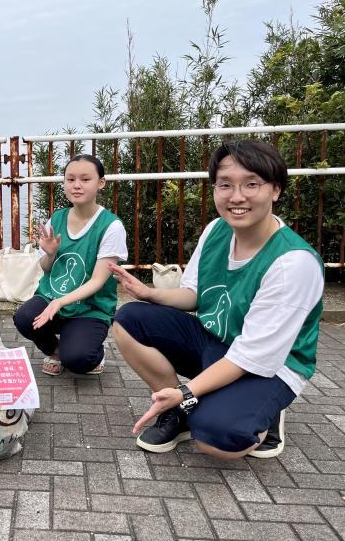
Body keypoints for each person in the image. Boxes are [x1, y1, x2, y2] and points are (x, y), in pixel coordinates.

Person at [110, 140, 323, 459]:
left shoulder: (293, 263)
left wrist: (186, 391)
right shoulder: (217, 231)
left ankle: (264, 414)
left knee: (215, 439)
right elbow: (195, 295)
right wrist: (149, 294)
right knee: (128, 319)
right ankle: (178, 413)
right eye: (225, 185)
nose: (237, 197)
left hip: (271, 365)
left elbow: (250, 356)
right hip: (219, 342)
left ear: (275, 190)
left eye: (251, 184)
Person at [13, 153, 127, 376]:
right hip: (51, 297)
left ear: (100, 183)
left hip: (90, 308)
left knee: (79, 360)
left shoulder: (111, 226)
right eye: (70, 179)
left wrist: (60, 302)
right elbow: (46, 268)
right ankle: (56, 351)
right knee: (24, 318)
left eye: (85, 179)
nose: (77, 185)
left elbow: (97, 281)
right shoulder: (57, 218)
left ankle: (92, 350)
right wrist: (50, 254)